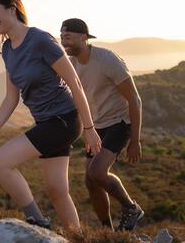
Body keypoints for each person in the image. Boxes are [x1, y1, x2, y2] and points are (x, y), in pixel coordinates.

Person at [0, 0, 101, 232]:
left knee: (0, 163)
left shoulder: (40, 40)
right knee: (57, 191)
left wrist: (90, 128)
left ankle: (37, 221)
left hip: (63, 120)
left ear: (12, 8)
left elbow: (75, 83)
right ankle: (78, 237)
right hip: (46, 123)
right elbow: (10, 99)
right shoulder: (8, 50)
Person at [60, 18, 144, 231]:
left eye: (67, 37)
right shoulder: (72, 64)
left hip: (119, 122)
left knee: (97, 172)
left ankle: (131, 208)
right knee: (90, 180)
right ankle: (108, 231)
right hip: (96, 127)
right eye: (62, 37)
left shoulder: (107, 59)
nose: (63, 42)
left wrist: (135, 140)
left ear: (83, 37)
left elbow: (135, 99)